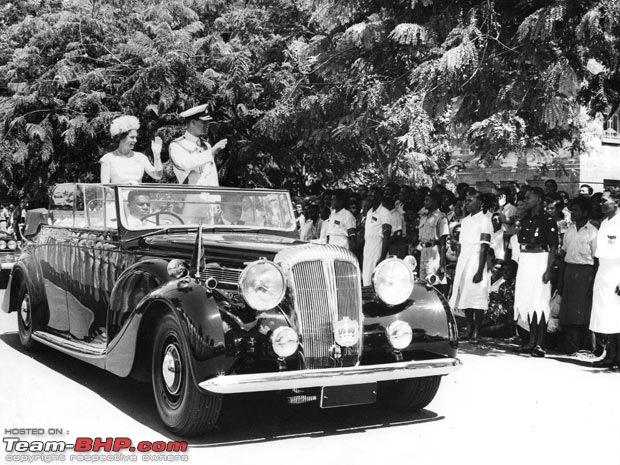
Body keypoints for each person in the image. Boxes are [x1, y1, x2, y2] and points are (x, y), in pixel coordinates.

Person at [513, 187, 559, 357]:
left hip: (540, 258)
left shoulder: (547, 220)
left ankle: (540, 343)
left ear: (538, 199)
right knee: (529, 300)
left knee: (539, 302)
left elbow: (553, 246)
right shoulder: (525, 219)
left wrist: (548, 270)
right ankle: (531, 341)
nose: (525, 201)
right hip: (526, 259)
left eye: (528, 198)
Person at [449, 189, 493, 342]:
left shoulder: (485, 220)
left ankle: (476, 332)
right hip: (464, 260)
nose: (467, 203)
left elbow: (484, 247)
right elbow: (461, 245)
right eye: (466, 200)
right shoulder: (465, 220)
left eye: (471, 200)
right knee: (466, 295)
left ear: (480, 203)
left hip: (476, 259)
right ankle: (468, 329)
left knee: (477, 297)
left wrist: (480, 270)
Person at [558, 196, 597, 354]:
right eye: (571, 210)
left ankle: (582, 347)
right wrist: (561, 280)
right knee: (567, 311)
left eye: (576, 210)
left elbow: (597, 260)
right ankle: (569, 346)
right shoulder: (569, 230)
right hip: (570, 271)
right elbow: (563, 255)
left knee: (581, 311)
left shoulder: (593, 233)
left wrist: (592, 282)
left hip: (585, 273)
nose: (572, 213)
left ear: (585, 212)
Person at [589, 189, 620, 370]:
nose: (601, 204)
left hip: (617, 271)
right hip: (604, 271)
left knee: (617, 315)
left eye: (605, 201)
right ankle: (610, 355)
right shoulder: (605, 222)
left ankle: (617, 358)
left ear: (617, 202)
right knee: (605, 315)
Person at [169, 104, 228, 185]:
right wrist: (211, 152)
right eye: (204, 122)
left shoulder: (206, 145)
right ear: (192, 123)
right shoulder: (177, 145)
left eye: (208, 122)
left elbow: (211, 177)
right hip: (192, 196)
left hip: (210, 196)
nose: (207, 125)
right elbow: (185, 164)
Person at [100, 115, 163, 184]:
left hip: (137, 194)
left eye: (136, 137)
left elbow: (157, 176)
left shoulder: (141, 157)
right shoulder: (108, 159)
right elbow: (105, 188)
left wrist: (157, 155)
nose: (135, 140)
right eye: (132, 137)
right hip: (118, 194)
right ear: (121, 137)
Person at [362, 186, 391, 286]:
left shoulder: (384, 212)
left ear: (379, 197)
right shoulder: (369, 212)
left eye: (372, 196)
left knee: (376, 279)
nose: (369, 198)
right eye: (369, 195)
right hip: (368, 249)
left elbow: (387, 236)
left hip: (377, 249)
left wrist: (382, 257)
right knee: (366, 277)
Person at [418, 192, 449, 282]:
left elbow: (443, 242)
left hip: (434, 251)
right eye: (425, 200)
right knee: (422, 282)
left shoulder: (441, 217)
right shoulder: (424, 216)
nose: (425, 202)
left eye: (428, 200)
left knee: (433, 282)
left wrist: (442, 264)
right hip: (424, 251)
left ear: (435, 202)